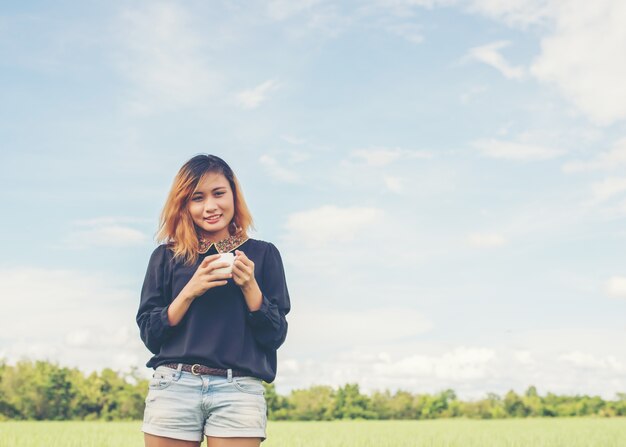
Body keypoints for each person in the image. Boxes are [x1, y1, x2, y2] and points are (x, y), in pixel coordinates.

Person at [136, 154, 291, 447]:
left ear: (234, 194)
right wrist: (190, 290)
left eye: (219, 193)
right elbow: (150, 334)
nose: (210, 206)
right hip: (174, 386)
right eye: (197, 198)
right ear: (184, 205)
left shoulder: (264, 255)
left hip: (239, 389)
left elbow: (275, 336)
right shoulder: (166, 257)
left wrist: (250, 288)